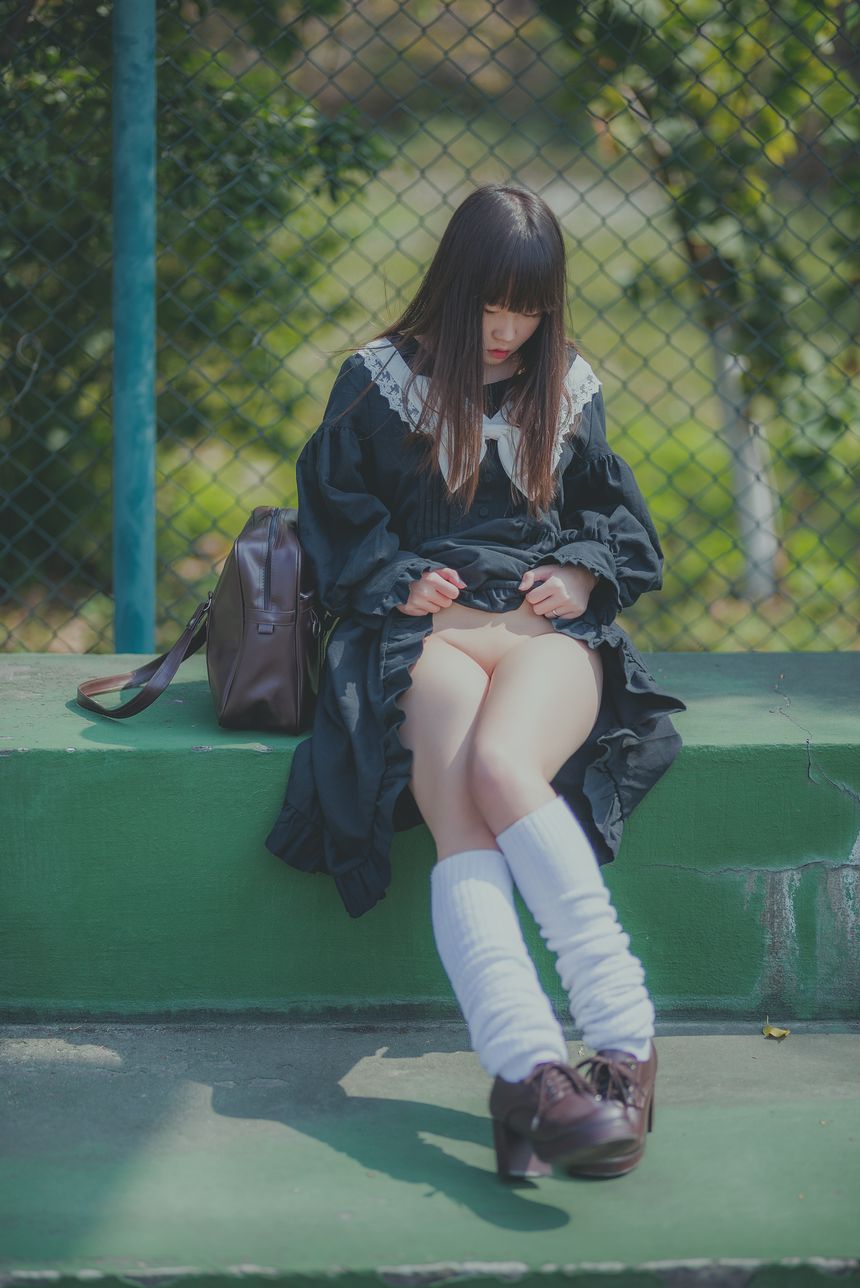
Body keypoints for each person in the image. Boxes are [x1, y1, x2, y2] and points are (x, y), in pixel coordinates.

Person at [265, 183, 687, 1181]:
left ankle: (623, 1038)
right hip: (427, 643)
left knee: (503, 765)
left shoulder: (566, 383)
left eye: (528, 310)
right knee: (464, 809)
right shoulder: (376, 381)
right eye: (492, 306)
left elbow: (609, 517)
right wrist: (398, 577)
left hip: (544, 635)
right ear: (454, 288)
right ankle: (531, 1070)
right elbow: (334, 519)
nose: (507, 330)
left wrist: (581, 570)